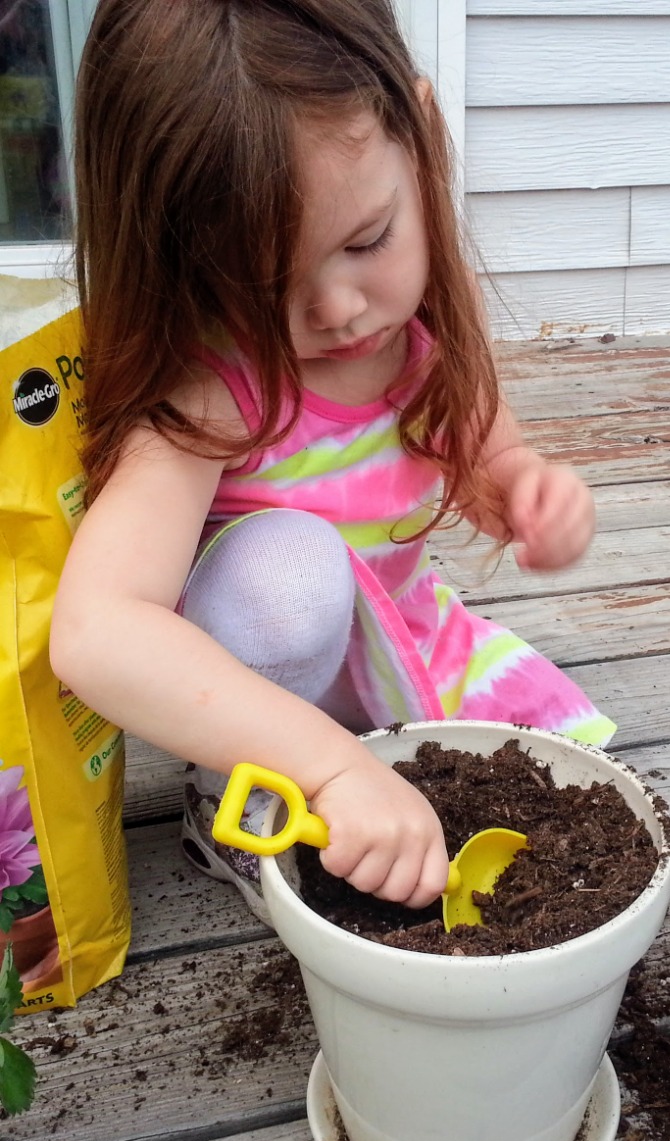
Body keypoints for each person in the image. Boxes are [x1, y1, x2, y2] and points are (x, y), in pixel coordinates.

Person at [49, 0, 615, 926]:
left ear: (422, 134)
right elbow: (97, 630)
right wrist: (326, 764)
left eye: (367, 242)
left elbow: (490, 452)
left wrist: (529, 492)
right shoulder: (214, 389)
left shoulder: (419, 339)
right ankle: (224, 802)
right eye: (265, 287)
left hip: (399, 642)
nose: (342, 308)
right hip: (267, 692)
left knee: (565, 801)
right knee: (288, 572)